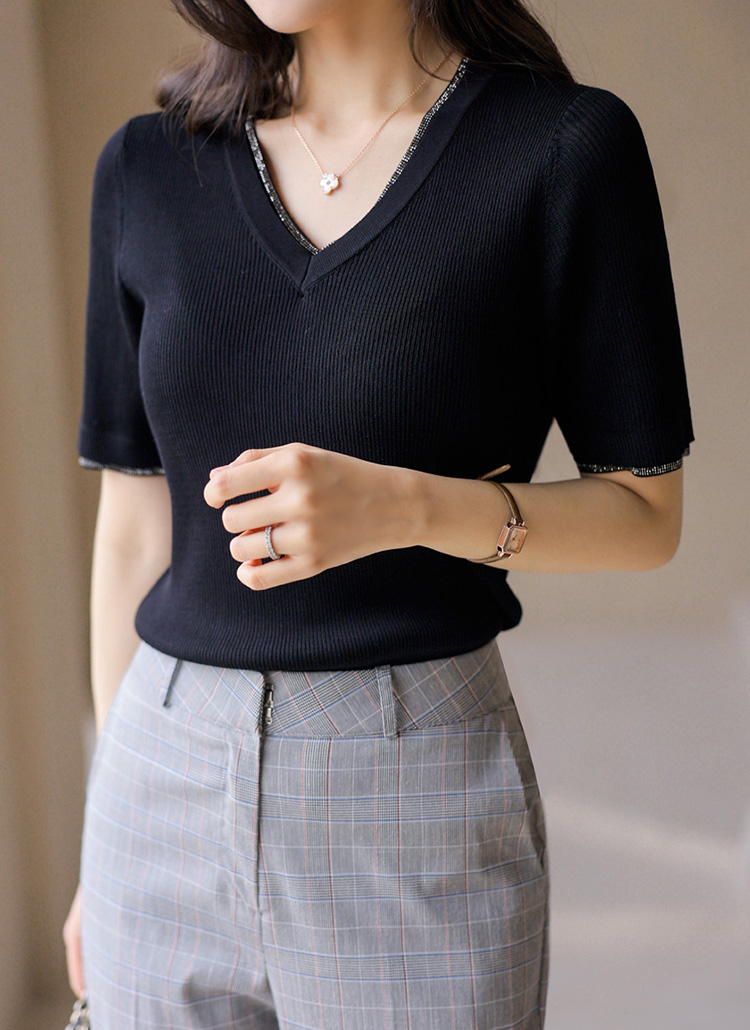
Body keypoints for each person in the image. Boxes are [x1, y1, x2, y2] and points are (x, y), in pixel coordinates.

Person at [62, 0, 694, 1027]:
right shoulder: (147, 167)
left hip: (412, 787)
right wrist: (103, 833)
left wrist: (406, 506)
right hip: (157, 775)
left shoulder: (564, 149)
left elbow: (645, 515)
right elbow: (135, 523)